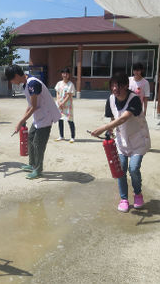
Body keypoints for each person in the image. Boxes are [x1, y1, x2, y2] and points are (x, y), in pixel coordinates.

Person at [90, 72, 151, 213]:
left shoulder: (134, 99)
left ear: (125, 86)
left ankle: (138, 194)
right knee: (121, 169)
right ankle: (124, 199)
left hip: (138, 140)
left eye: (118, 85)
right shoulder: (111, 99)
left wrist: (103, 128)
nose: (114, 88)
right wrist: (110, 132)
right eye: (112, 85)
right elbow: (114, 119)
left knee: (134, 168)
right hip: (121, 141)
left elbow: (124, 118)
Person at [5, 65, 61, 179]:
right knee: (30, 137)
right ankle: (32, 164)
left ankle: (38, 170)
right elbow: (31, 105)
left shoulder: (32, 83)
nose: (12, 82)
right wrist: (23, 119)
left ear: (16, 76)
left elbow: (34, 106)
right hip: (38, 117)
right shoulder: (26, 83)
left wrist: (21, 121)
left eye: (11, 80)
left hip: (46, 116)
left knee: (38, 144)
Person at [54, 67, 76, 143]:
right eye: (63, 73)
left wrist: (62, 103)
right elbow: (57, 92)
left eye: (66, 73)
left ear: (69, 75)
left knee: (70, 120)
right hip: (59, 104)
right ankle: (61, 136)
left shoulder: (70, 84)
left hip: (67, 105)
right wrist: (58, 101)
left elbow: (69, 95)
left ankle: (72, 137)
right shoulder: (59, 83)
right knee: (60, 120)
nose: (65, 75)